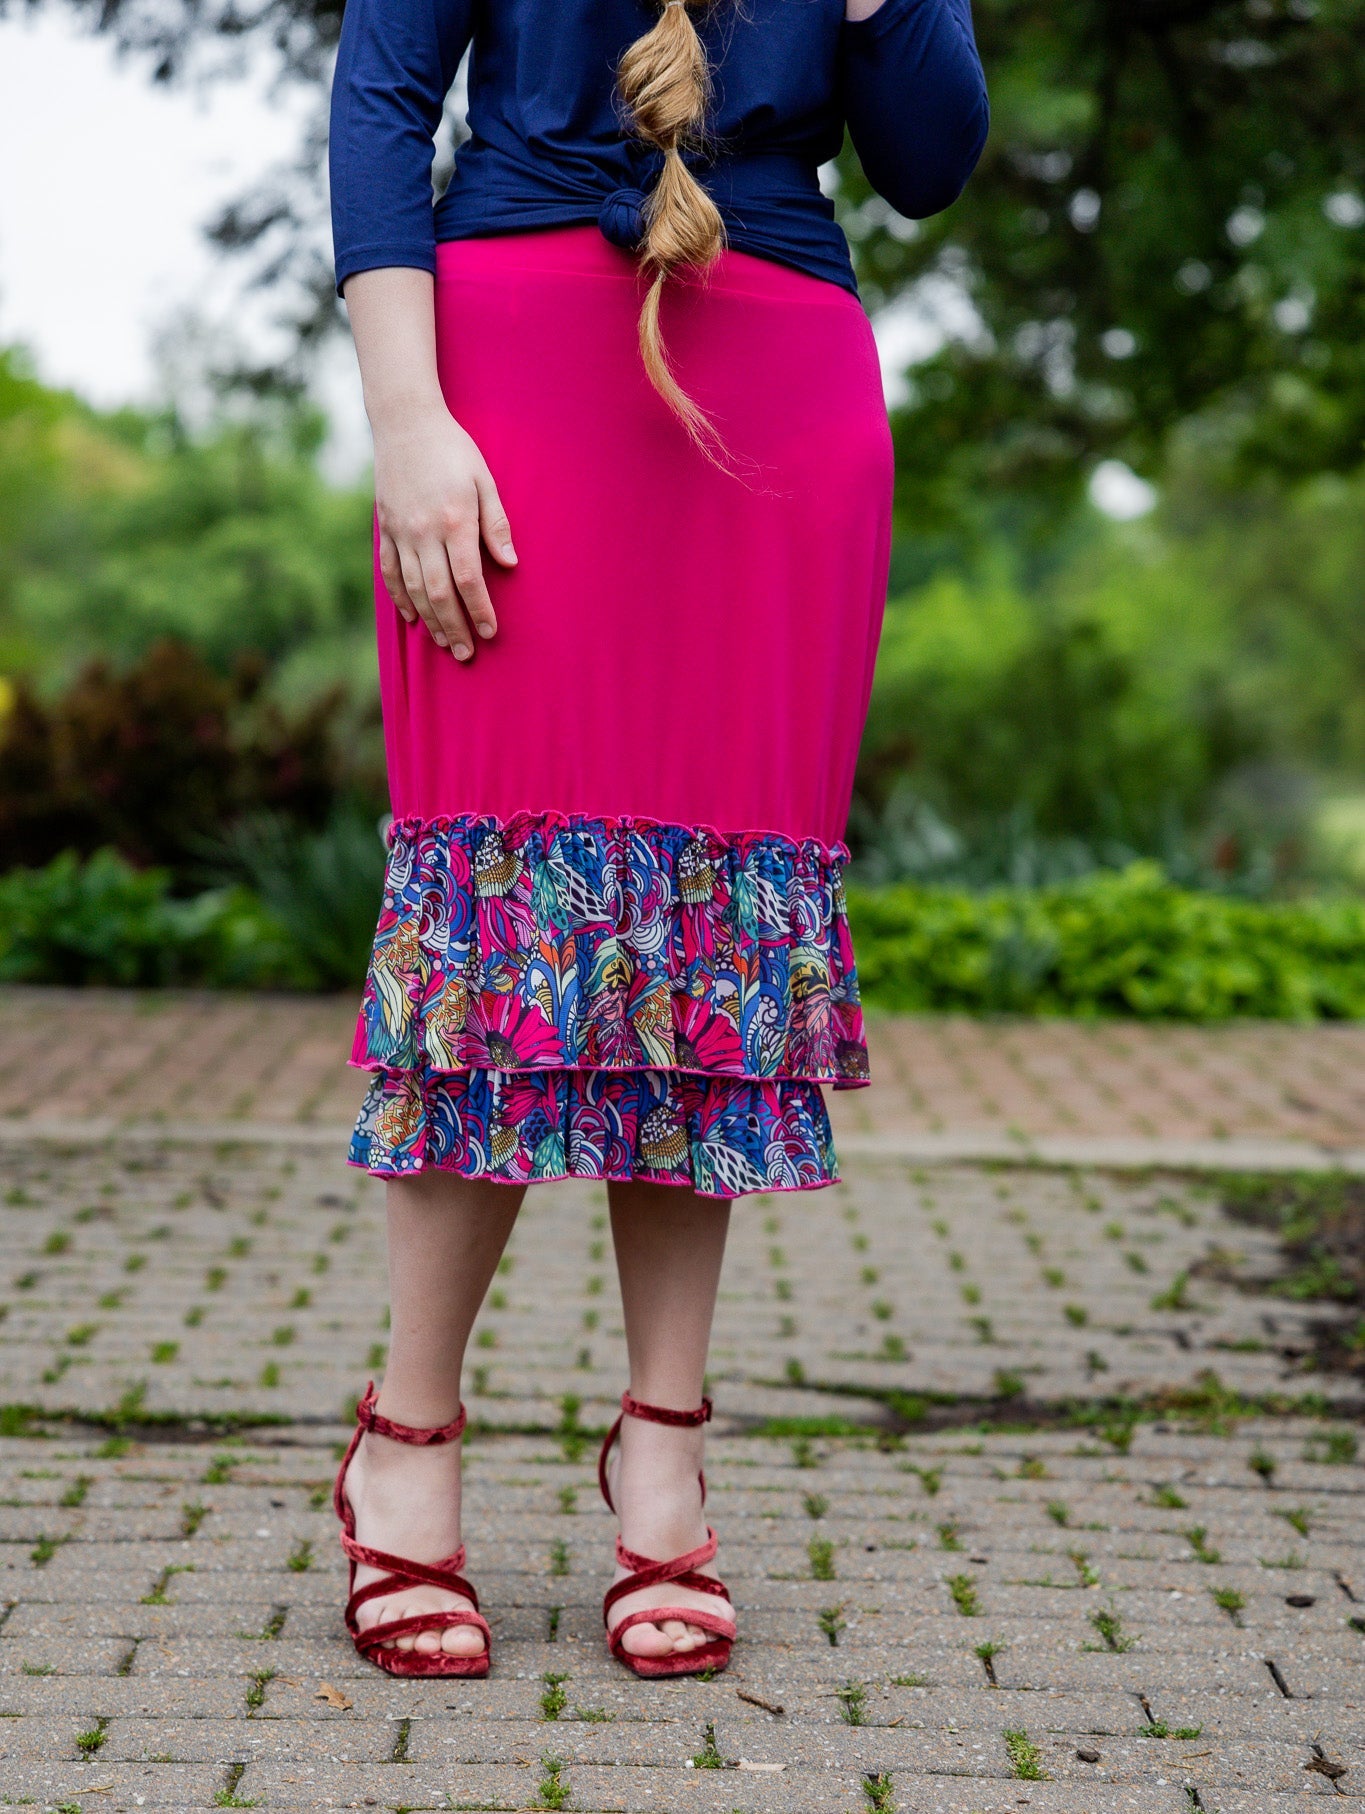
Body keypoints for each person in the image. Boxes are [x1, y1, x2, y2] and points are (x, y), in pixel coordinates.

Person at [327, 0, 987, 1680]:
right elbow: (381, 102)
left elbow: (929, 162)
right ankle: (407, 1443)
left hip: (777, 377)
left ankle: (663, 1445)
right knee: (495, 931)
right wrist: (405, 422)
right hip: (510, 369)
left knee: (707, 945)